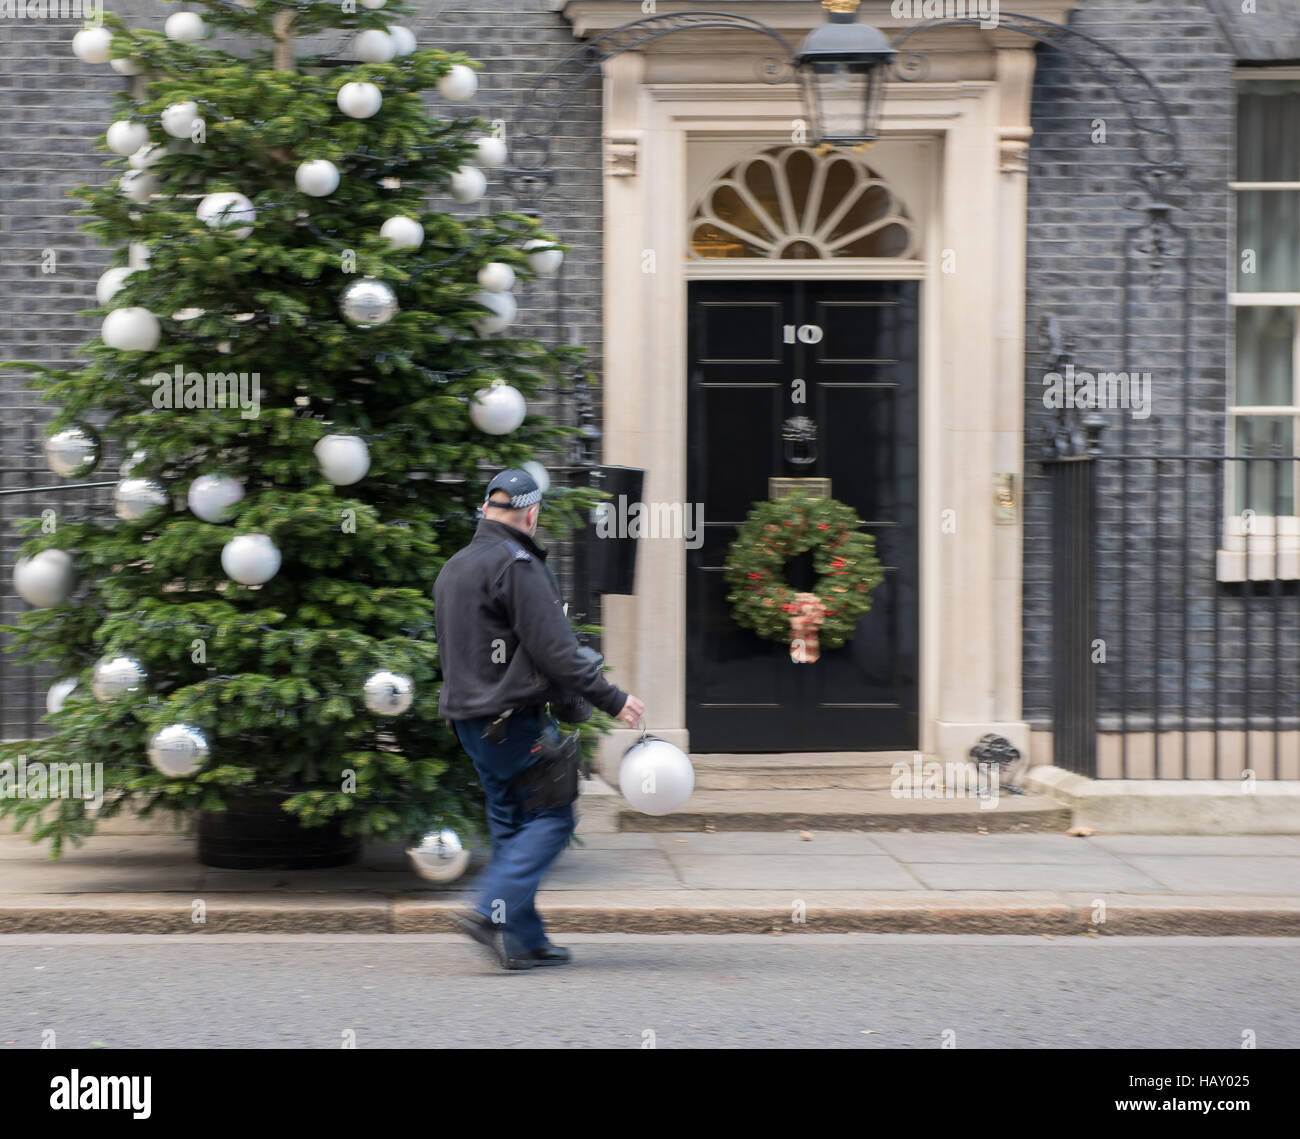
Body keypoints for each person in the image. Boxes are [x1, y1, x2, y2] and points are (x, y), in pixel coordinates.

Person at [433, 468, 645, 970]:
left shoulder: (455, 566)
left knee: (511, 823)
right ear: (531, 514)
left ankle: (525, 940)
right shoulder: (518, 564)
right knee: (553, 818)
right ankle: (488, 912)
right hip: (512, 720)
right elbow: (558, 653)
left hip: (471, 722)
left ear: (486, 510)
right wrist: (613, 699)